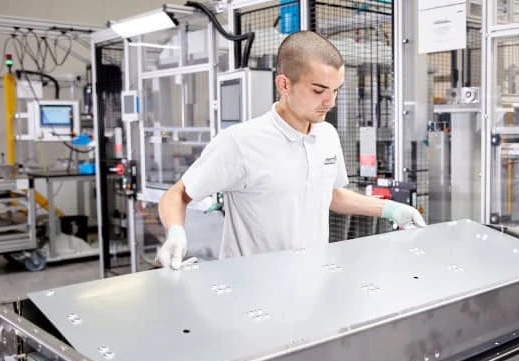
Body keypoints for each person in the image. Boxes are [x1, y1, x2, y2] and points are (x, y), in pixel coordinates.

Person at [156, 30, 425, 269]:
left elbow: (329, 194)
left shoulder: (327, 135)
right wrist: (176, 233)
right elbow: (177, 195)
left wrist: (389, 209)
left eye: (336, 90)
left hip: (311, 282)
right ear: (284, 84)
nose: (330, 102)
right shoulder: (240, 142)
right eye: (319, 90)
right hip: (250, 288)